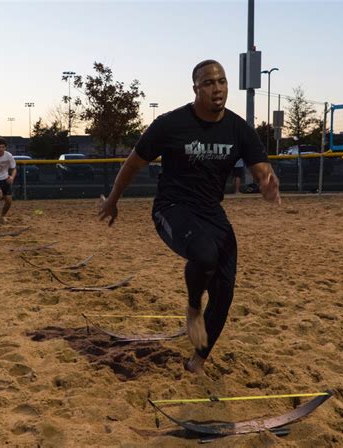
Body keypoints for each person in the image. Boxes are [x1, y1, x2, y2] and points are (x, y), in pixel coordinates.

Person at [98, 60, 280, 375]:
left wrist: (267, 185)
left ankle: (197, 362)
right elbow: (132, 164)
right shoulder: (171, 124)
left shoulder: (238, 128)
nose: (217, 88)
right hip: (172, 208)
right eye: (209, 83)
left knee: (224, 292)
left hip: (211, 211)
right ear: (195, 88)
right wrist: (113, 201)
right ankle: (193, 305)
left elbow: (262, 170)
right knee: (204, 254)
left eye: (222, 81)